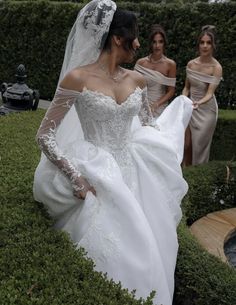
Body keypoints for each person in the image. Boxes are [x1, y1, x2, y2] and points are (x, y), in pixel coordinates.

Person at [33, 1, 193, 304]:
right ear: (117, 39)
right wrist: (76, 177)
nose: (138, 43)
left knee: (149, 242)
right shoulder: (77, 78)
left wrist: (164, 140)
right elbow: (45, 134)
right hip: (98, 172)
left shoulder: (138, 79)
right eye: (133, 36)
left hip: (134, 171)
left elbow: (148, 124)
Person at [182, 25, 222, 166]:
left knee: (199, 147)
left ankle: (198, 178)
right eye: (202, 42)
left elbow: (210, 93)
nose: (205, 46)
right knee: (186, 145)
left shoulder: (216, 68)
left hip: (206, 111)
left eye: (208, 43)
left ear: (213, 45)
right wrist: (183, 99)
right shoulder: (191, 64)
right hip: (190, 108)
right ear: (198, 44)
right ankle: (185, 176)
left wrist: (198, 102)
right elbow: (187, 87)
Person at [134, 24, 176, 118]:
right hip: (141, 106)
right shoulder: (141, 63)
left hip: (159, 107)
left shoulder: (170, 64)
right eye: (154, 42)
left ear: (164, 43)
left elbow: (171, 91)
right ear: (150, 43)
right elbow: (133, 86)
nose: (157, 46)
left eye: (160, 42)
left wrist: (156, 104)